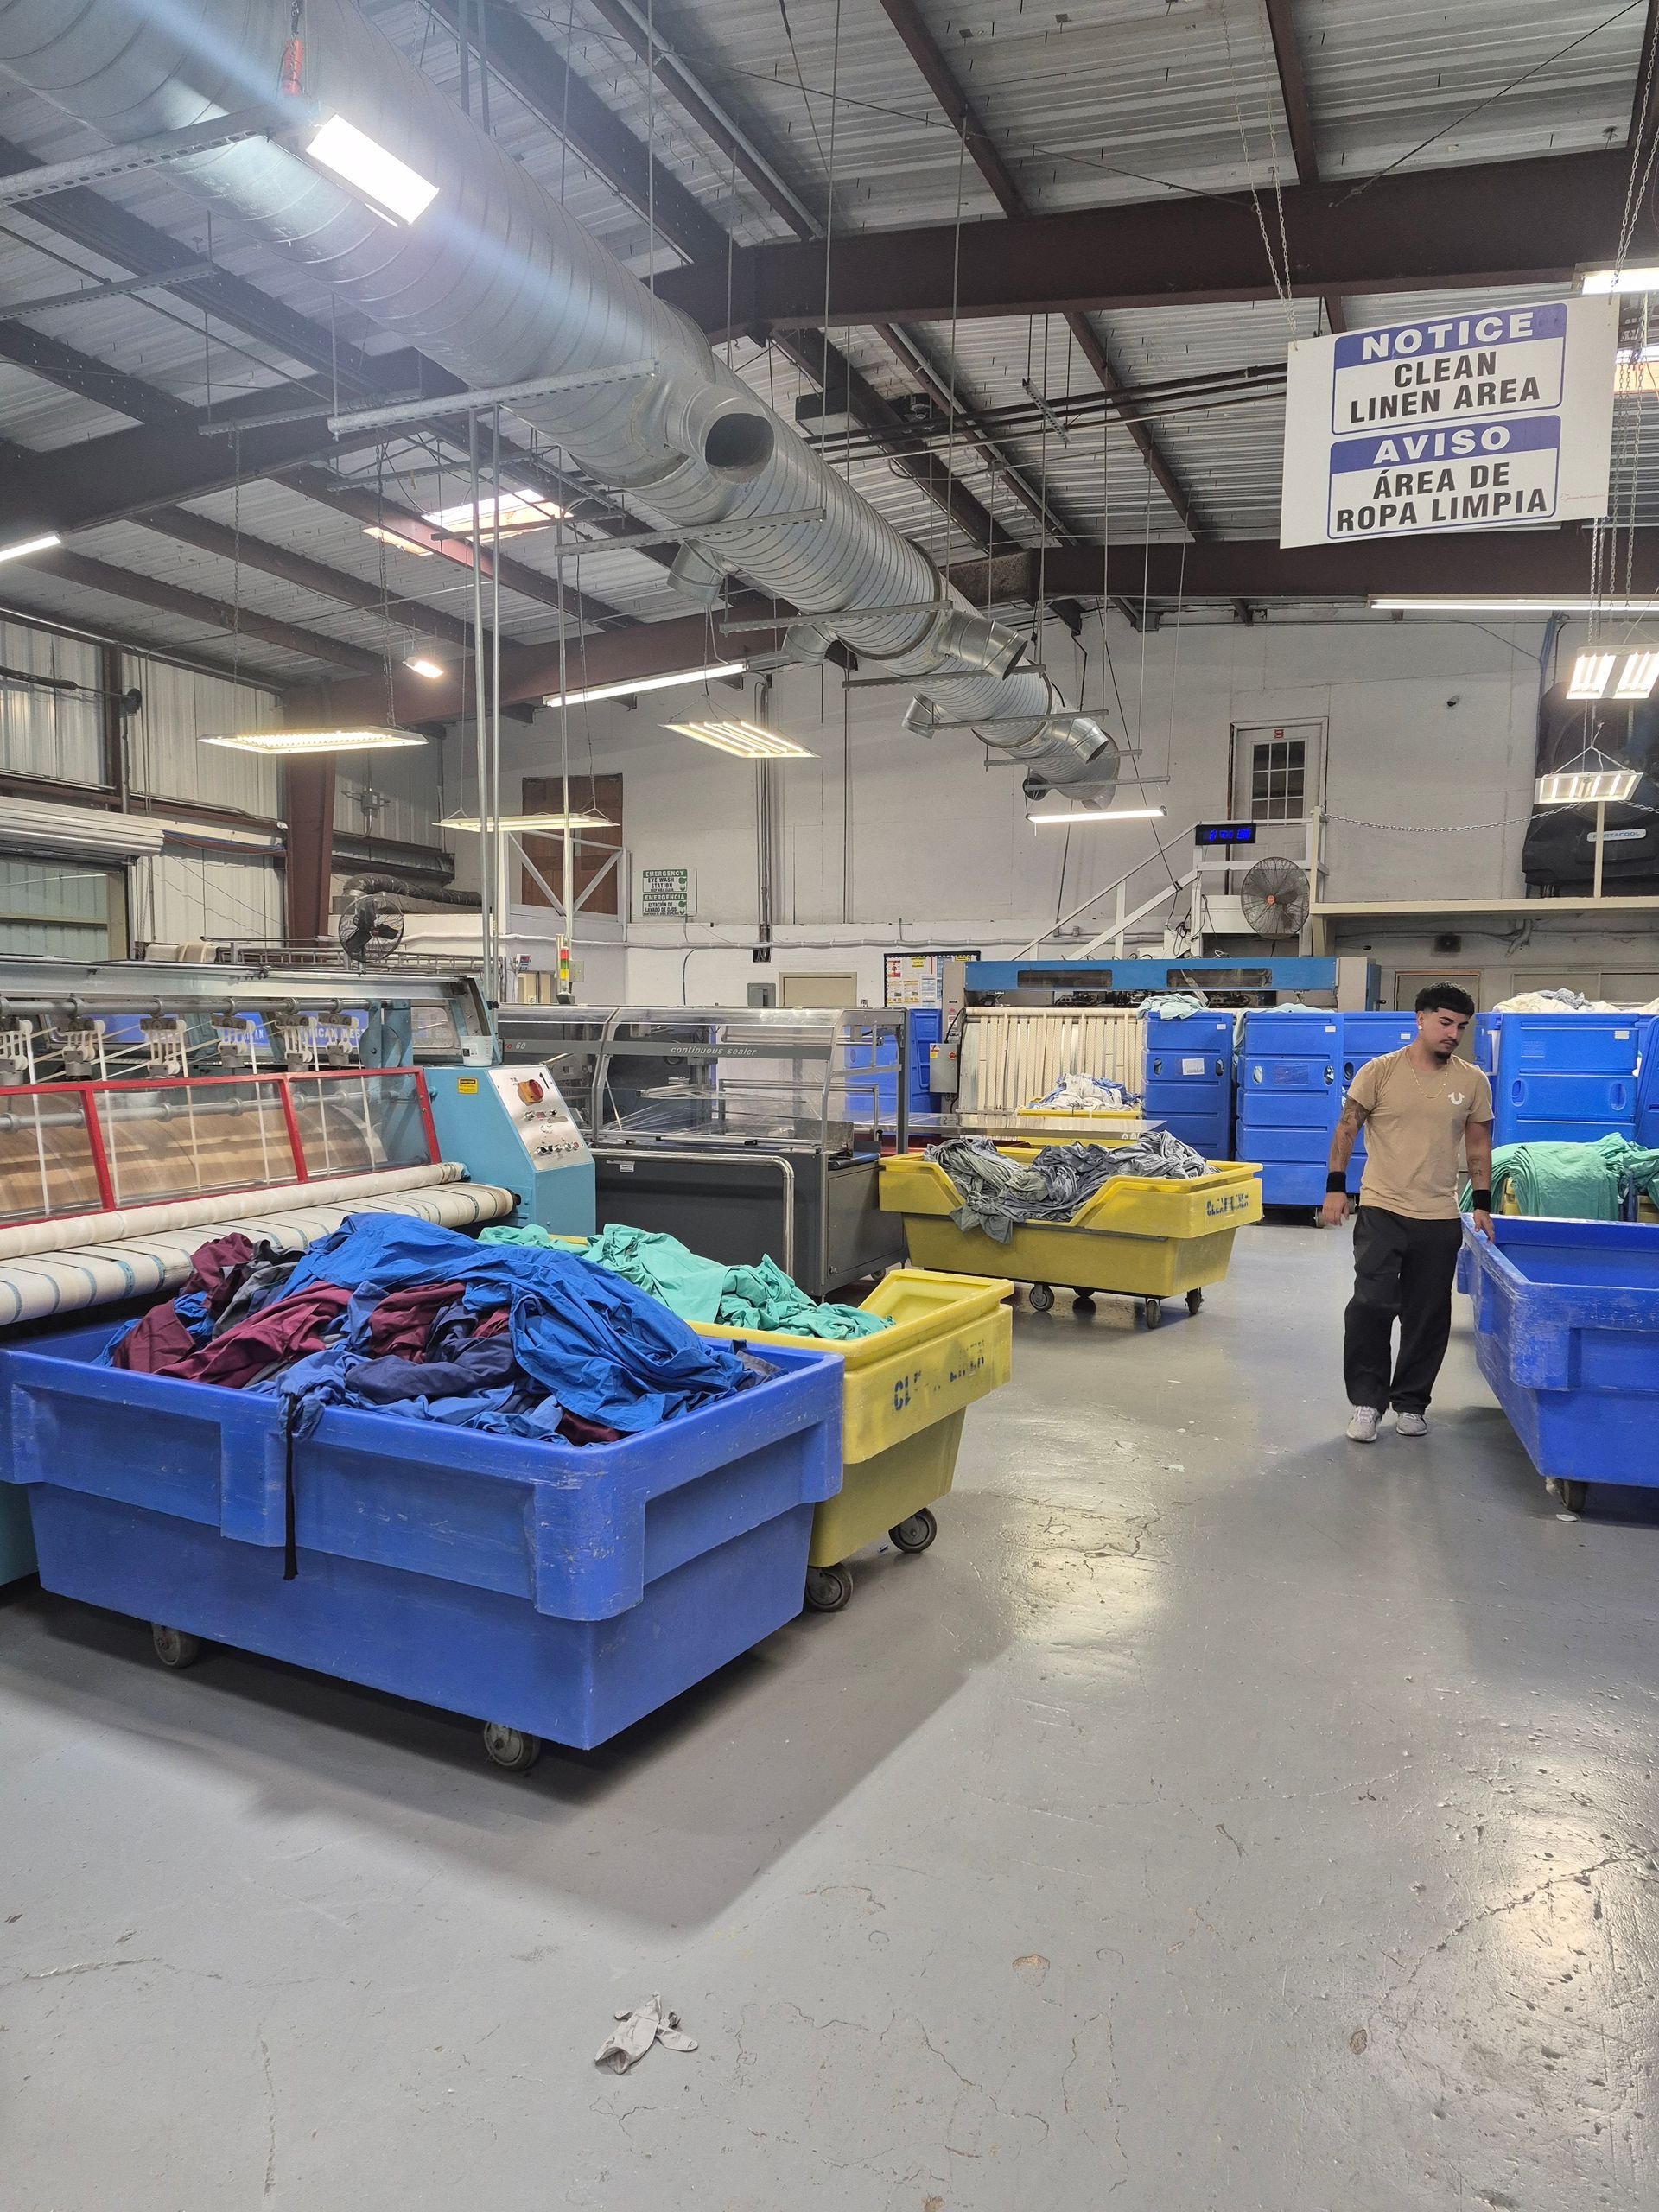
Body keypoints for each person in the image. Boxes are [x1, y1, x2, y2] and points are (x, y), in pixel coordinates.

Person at [1320, 984, 1495, 1442]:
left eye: (1461, 1026)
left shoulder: (1472, 1081)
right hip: (1382, 1207)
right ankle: (1366, 1402)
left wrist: (1482, 1204)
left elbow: (1478, 1145)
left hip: (1438, 1215)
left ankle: (1412, 1403)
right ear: (1420, 1018)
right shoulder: (1380, 1072)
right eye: (1445, 1022)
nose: (1453, 1033)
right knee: (1371, 1305)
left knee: (1428, 1313)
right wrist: (1335, 1189)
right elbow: (1347, 1128)